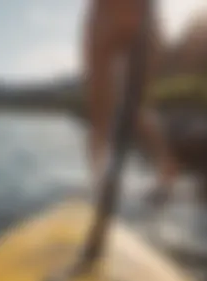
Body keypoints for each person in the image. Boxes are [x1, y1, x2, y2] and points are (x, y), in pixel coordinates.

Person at [83, 0, 179, 203]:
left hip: (133, 17)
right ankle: (99, 181)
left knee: (127, 108)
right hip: (123, 17)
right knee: (105, 110)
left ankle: (165, 171)